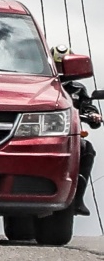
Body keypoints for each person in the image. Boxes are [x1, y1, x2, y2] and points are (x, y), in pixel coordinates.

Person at [52, 45, 98, 216]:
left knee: (87, 149)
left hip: (70, 138)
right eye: (57, 66)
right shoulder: (42, 86)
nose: (60, 70)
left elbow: (88, 107)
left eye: (63, 66)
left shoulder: (78, 89)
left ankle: (77, 198)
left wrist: (93, 114)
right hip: (45, 137)